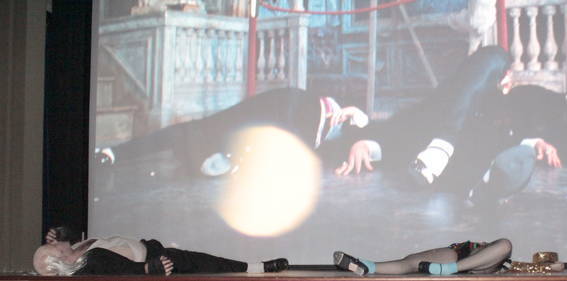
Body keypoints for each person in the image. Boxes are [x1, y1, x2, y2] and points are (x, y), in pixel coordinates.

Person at [322, 45, 513, 197]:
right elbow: (405, 141)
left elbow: (405, 128)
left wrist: (365, 128)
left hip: (443, 129)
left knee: (493, 58)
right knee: (493, 58)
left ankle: (444, 143)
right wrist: (369, 145)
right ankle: (444, 143)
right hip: (442, 138)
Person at [95, 87, 368, 177]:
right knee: (188, 134)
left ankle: (113, 153)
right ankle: (112, 153)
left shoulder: (333, 136)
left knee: (191, 138)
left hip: (257, 136)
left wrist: (357, 118)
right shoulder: (305, 106)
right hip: (244, 126)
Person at [33, 228, 289, 276]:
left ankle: (257, 267)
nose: (55, 242)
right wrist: (148, 269)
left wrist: (60, 232)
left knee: (206, 262)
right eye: (53, 246)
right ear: (60, 259)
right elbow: (122, 270)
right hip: (156, 262)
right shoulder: (91, 264)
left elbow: (68, 234)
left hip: (154, 252)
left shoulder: (78, 250)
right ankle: (258, 268)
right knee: (207, 264)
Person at [333, 238, 512, 276]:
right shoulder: (464, 249)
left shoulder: (497, 252)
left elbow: (502, 248)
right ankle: (367, 266)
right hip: (458, 255)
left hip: (481, 266)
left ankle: (448, 269)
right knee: (411, 262)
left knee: (505, 245)